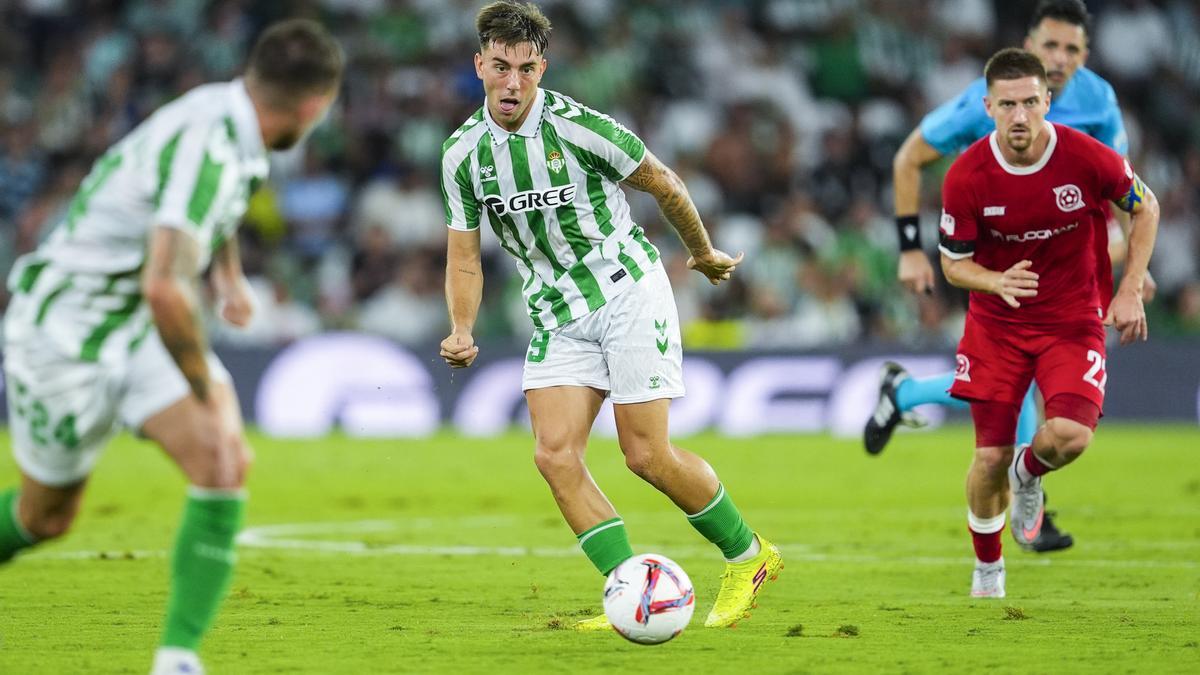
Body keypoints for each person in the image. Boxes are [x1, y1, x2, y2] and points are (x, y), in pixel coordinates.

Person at [0, 20, 343, 674]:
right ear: (313, 106)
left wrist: (228, 273)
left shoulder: (234, 120)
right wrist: (201, 383)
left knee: (222, 458)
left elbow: (216, 204)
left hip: (133, 324)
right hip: (66, 332)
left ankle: (177, 659)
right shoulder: (209, 145)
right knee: (43, 516)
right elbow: (164, 286)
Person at [438, 1, 782, 630]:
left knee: (645, 455)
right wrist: (461, 327)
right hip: (555, 313)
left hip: (626, 292)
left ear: (542, 68)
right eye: (499, 66)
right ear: (479, 64)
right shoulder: (462, 155)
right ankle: (630, 589)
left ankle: (750, 556)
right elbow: (465, 258)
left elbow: (666, 183)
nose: (512, 82)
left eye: (525, 69)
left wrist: (700, 253)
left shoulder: (580, 127)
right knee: (554, 456)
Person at [865, 0, 1141, 553]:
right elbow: (907, 159)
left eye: (1071, 49)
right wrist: (911, 250)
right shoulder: (982, 100)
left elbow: (1121, 187)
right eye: (1049, 46)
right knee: (1008, 391)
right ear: (1029, 45)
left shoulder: (1099, 100)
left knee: (1041, 394)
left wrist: (1136, 269)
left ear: (1085, 55)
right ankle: (1026, 511)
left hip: (1067, 262)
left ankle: (912, 395)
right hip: (999, 264)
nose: (1059, 58)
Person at [938, 48, 1158, 597]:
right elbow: (952, 262)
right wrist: (994, 281)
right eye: (1007, 104)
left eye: (1030, 102)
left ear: (1047, 102)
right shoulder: (966, 177)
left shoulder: (1087, 158)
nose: (1020, 116)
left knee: (1072, 436)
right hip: (997, 325)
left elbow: (1145, 206)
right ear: (987, 107)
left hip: (1072, 318)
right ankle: (988, 570)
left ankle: (1029, 474)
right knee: (988, 457)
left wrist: (1131, 287)